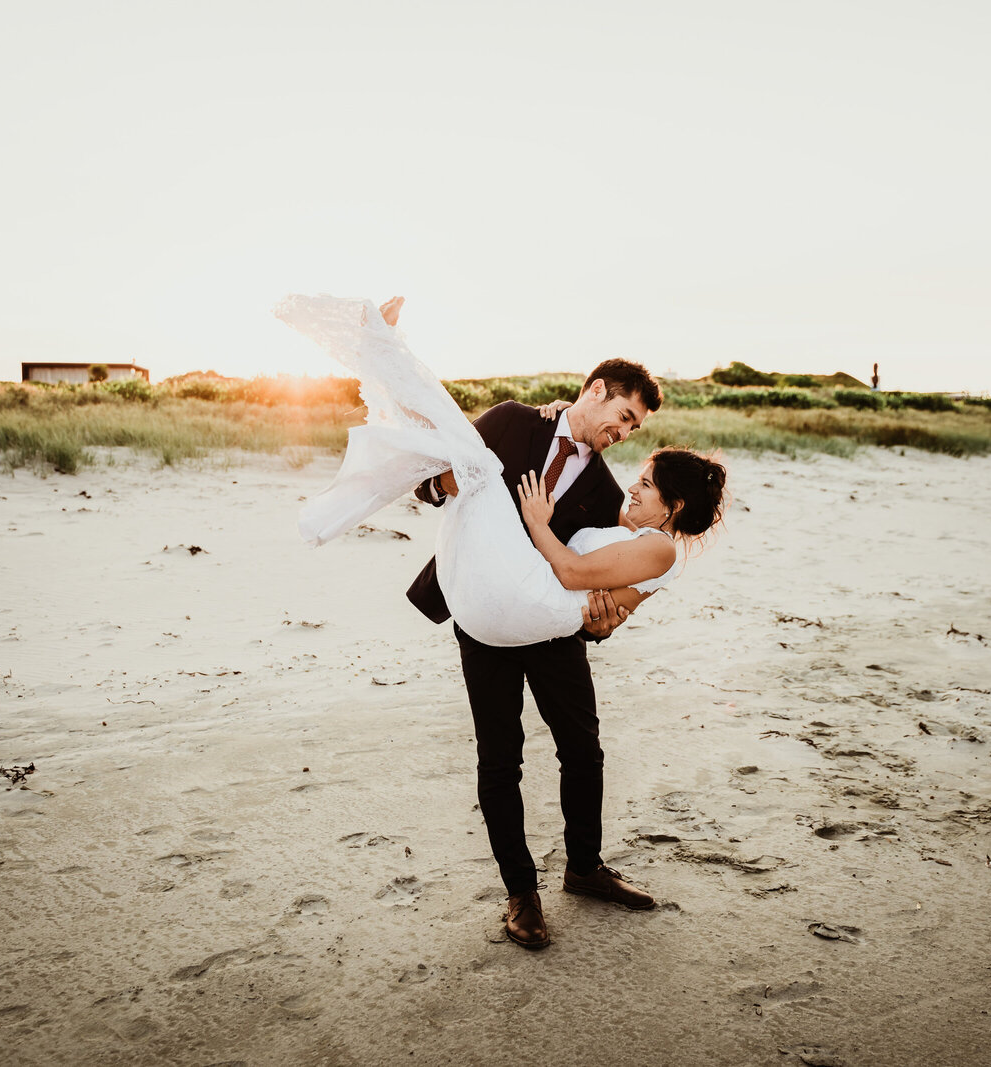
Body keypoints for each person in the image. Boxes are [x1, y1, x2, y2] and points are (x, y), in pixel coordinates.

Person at [275, 294, 727, 950]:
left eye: (633, 429)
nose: (622, 433)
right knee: (500, 754)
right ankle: (521, 893)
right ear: (596, 390)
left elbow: (611, 575)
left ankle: (585, 865)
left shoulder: (605, 493)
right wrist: (446, 488)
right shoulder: (515, 422)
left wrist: (607, 617)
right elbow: (433, 471)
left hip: (550, 630)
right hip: (480, 615)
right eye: (622, 416)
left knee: (583, 747)